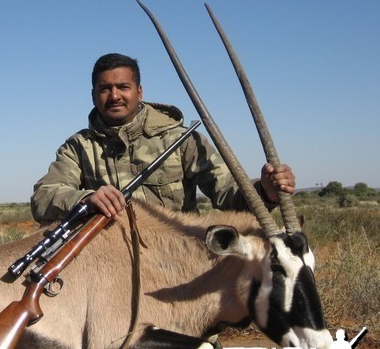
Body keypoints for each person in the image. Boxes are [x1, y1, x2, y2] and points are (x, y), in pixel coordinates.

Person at [31, 53, 296, 223]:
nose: (114, 96)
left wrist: (266, 192)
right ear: (93, 95)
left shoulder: (181, 139)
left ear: (139, 91)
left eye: (123, 87)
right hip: (110, 267)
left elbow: (229, 196)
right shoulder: (78, 148)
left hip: (178, 262)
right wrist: (85, 199)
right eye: (105, 89)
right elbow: (43, 197)